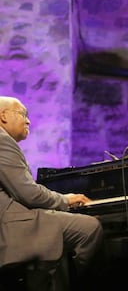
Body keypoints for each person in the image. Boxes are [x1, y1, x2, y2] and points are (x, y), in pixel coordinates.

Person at [0, 96, 104, 291]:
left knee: (62, 231)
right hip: (9, 225)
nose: (28, 120)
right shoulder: (1, 140)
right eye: (23, 114)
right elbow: (28, 193)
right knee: (89, 228)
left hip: (10, 217)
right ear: (3, 116)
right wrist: (65, 200)